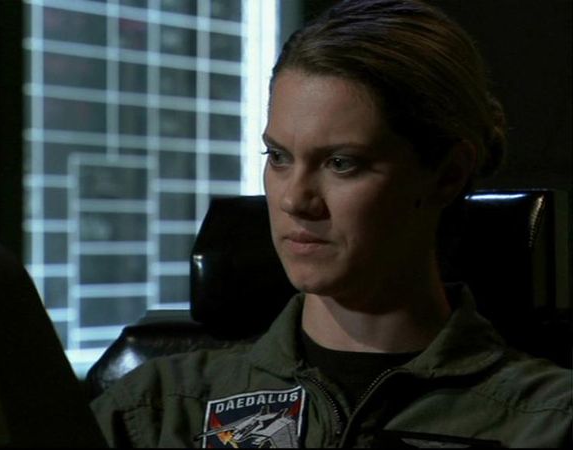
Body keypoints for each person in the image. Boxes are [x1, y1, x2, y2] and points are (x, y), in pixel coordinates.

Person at [89, 0, 572, 447]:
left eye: (341, 163)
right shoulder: (159, 410)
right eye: (279, 157)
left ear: (446, 175)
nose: (294, 199)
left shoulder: (546, 422)